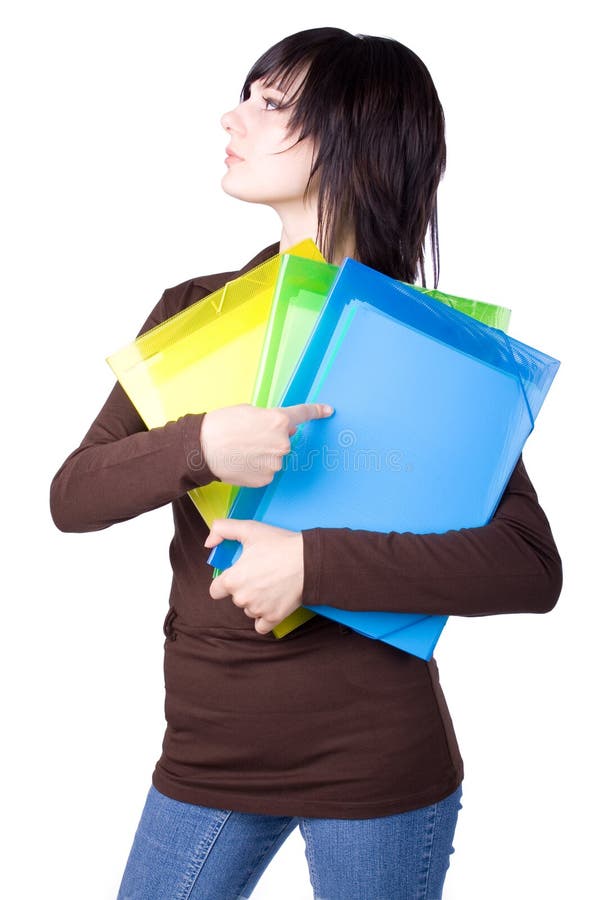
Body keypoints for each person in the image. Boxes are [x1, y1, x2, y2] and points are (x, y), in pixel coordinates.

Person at [49, 26, 562, 900]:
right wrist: (202, 443)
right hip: (210, 748)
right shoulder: (193, 316)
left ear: (353, 136)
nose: (233, 115)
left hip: (376, 762)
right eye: (247, 94)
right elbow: (73, 497)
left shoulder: (427, 345)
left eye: (272, 102)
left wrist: (311, 564)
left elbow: (528, 566)